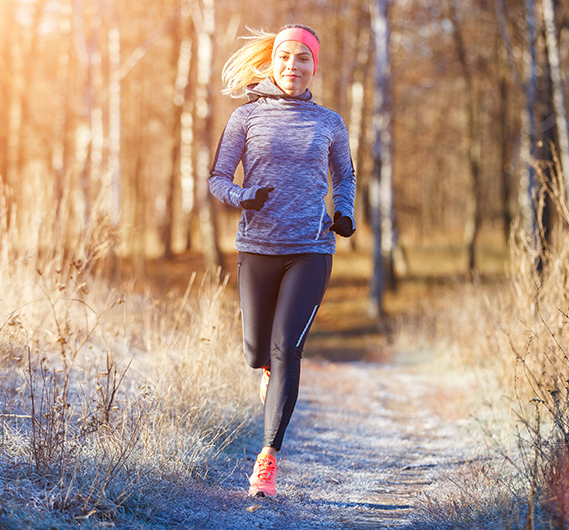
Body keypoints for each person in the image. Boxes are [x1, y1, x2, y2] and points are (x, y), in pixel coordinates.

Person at [208, 24, 356, 498]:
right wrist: (244, 196)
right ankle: (270, 374)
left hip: (311, 249)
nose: (294, 66)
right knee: (258, 352)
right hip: (257, 248)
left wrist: (344, 212)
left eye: (304, 59)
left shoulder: (329, 122)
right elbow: (216, 178)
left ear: (315, 65)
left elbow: (345, 176)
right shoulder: (245, 118)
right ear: (272, 63)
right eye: (286, 57)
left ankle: (267, 461)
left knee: (285, 348)